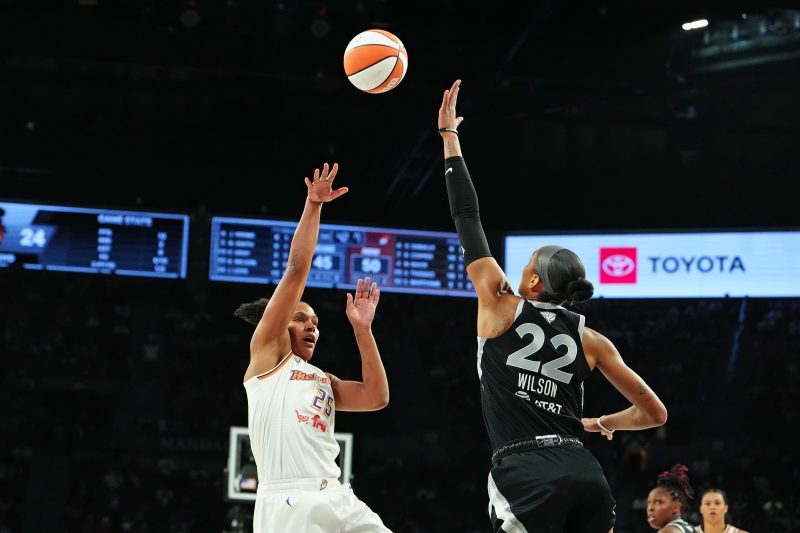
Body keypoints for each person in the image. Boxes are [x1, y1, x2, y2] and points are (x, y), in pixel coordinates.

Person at [437, 78, 668, 533]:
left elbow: (467, 216)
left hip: (526, 471)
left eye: (525, 263)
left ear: (535, 280)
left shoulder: (500, 301)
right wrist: (604, 421)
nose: (519, 268)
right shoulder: (592, 339)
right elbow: (655, 413)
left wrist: (449, 137)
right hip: (585, 473)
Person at [236, 162, 391, 532]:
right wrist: (314, 206)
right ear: (276, 323)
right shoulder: (267, 356)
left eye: (316, 323)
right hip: (288, 502)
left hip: (336, 494)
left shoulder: (323, 379)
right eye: (301, 318)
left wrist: (363, 331)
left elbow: (376, 397)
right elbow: (296, 269)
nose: (312, 326)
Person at [646, 464, 696, 532]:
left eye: (658, 502)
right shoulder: (691, 528)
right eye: (649, 503)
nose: (650, 508)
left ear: (676, 507)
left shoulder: (668, 531)